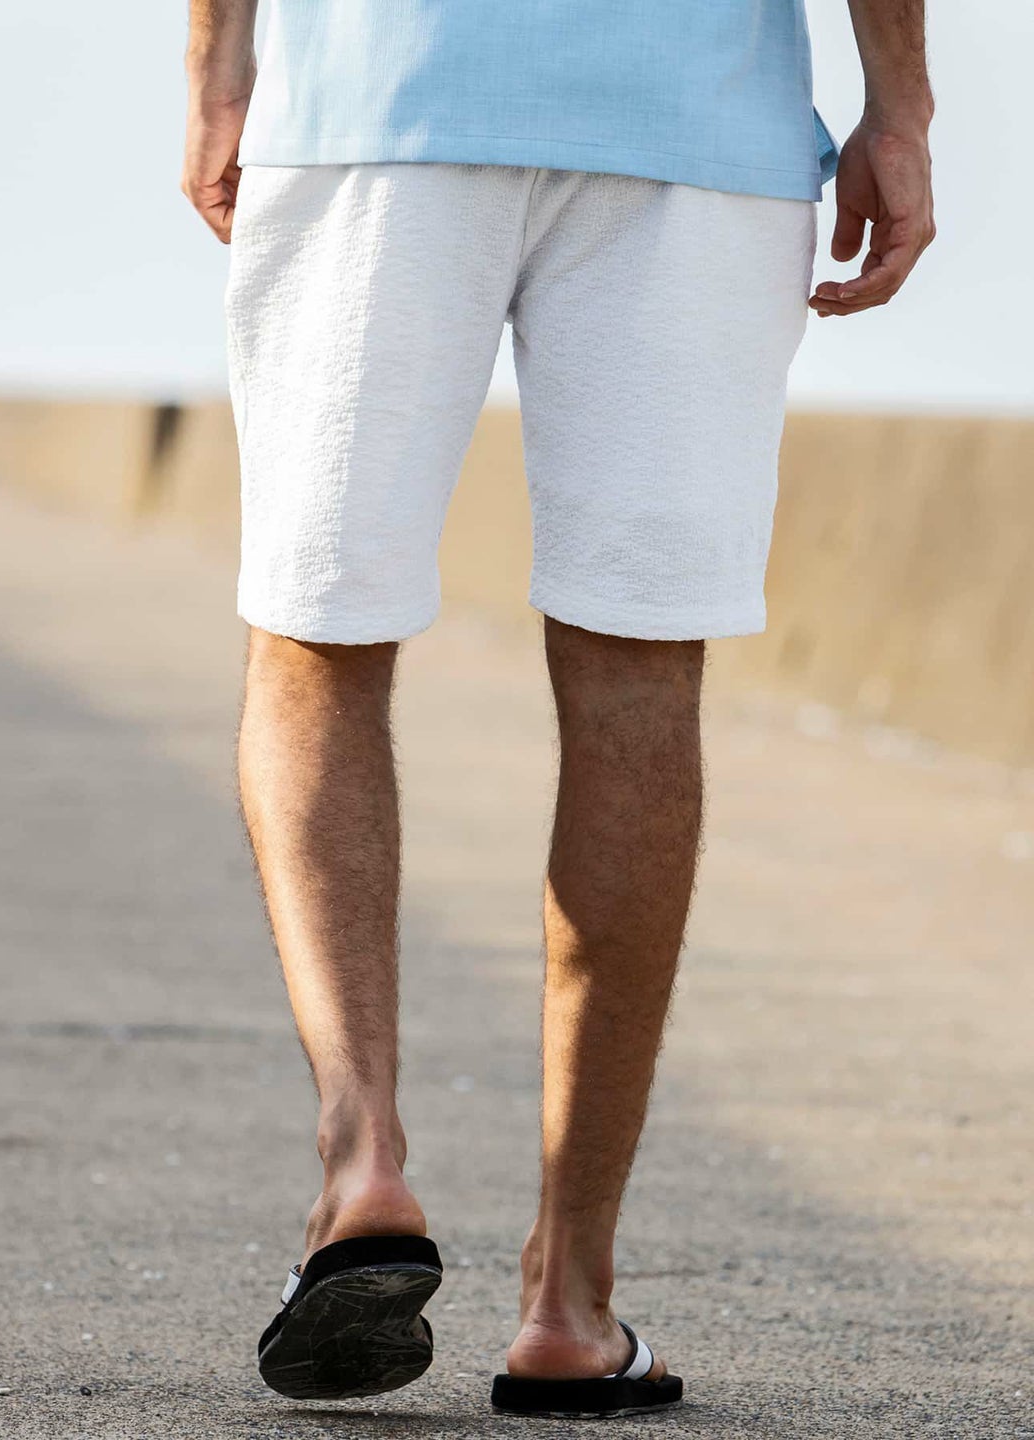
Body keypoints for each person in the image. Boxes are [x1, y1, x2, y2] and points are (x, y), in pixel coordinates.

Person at [182, 0, 935, 1417]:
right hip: (696, 121)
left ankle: (363, 1163)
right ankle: (569, 1304)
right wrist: (901, 104)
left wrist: (219, 62)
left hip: (378, 95)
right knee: (638, 674)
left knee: (319, 638)